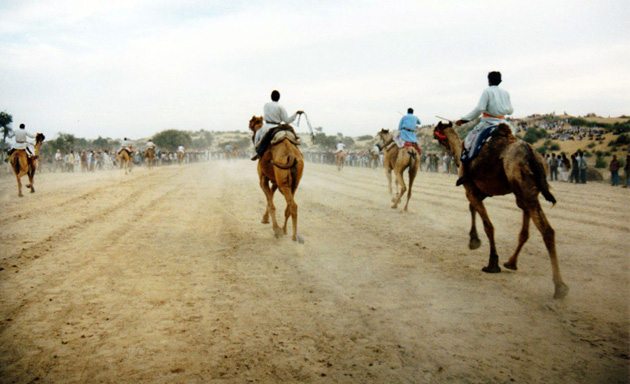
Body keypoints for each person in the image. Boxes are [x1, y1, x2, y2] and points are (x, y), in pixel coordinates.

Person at [455, 71, 514, 186]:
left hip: (488, 122)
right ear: (500, 81)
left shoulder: (487, 91)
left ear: (489, 80)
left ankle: (466, 173)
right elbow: (510, 110)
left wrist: (464, 120)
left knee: (468, 142)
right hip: (504, 123)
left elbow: (480, 108)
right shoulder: (506, 93)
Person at [252, 90, 303, 160]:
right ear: (279, 98)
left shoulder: (266, 105)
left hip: (266, 127)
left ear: (271, 97)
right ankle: (297, 152)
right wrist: (296, 114)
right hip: (278, 127)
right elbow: (287, 120)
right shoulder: (281, 107)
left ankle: (257, 151)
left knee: (257, 134)